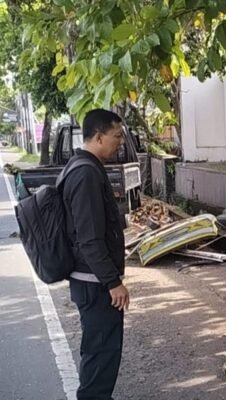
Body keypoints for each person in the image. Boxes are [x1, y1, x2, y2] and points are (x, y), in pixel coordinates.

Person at [61, 109, 129, 399]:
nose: (120, 143)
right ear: (99, 137)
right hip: (95, 283)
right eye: (117, 136)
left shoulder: (85, 166)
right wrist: (113, 282)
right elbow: (89, 240)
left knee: (102, 350)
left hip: (92, 281)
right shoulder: (86, 173)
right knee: (101, 351)